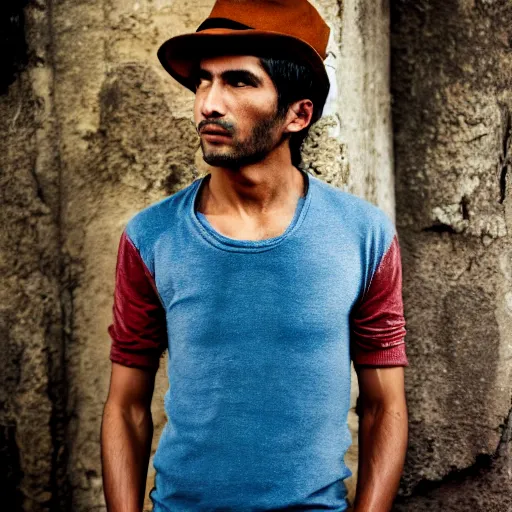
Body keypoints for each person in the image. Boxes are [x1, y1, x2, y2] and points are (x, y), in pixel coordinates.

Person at [100, 1, 409, 511]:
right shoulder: (150, 237)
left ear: (298, 113)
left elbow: (384, 406)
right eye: (203, 81)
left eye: (239, 82)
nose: (208, 104)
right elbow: (127, 406)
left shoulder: (364, 235)